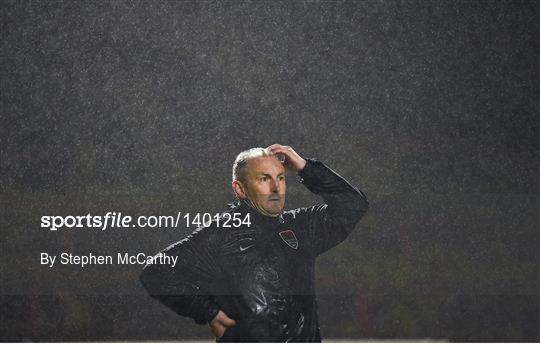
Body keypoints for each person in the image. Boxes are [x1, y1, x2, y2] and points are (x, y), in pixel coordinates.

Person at [140, 144, 369, 342]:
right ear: (240, 189)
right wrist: (207, 311)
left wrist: (305, 167)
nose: (276, 188)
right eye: (264, 179)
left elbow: (354, 204)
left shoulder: (301, 227)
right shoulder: (220, 235)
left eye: (280, 178)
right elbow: (155, 272)